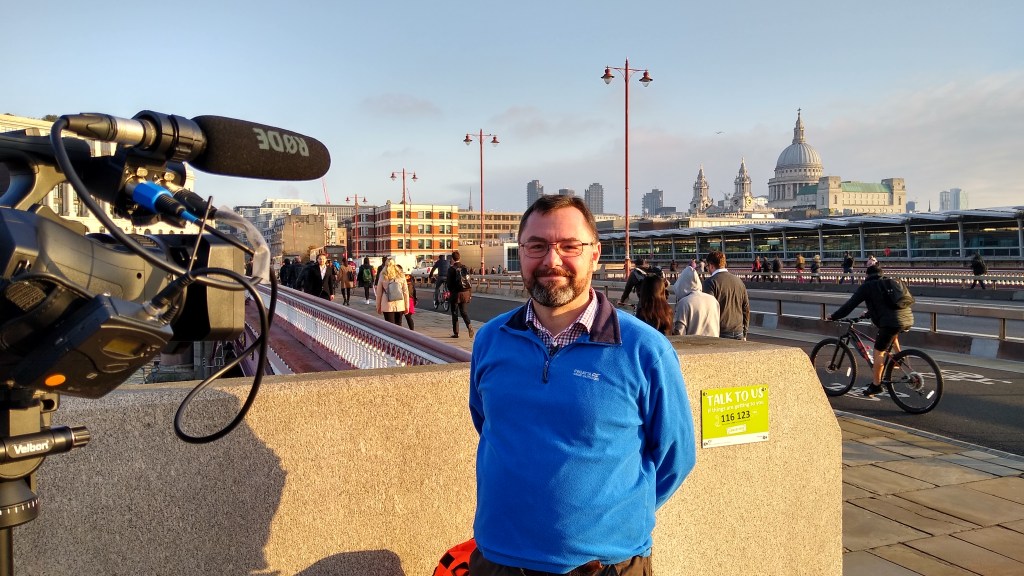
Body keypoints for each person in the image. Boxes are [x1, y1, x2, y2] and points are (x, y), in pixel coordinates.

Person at [468, 195, 695, 575]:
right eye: (536, 246)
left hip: (604, 565)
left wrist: (608, 520)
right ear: (521, 253)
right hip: (498, 560)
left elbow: (676, 457)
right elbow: (487, 423)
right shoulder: (491, 339)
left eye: (569, 246)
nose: (551, 260)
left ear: (594, 254)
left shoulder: (644, 350)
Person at [828, 264, 914, 397]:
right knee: (892, 334)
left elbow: (850, 305)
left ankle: (876, 385)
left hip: (890, 322)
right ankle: (898, 359)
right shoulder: (888, 283)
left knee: (878, 352)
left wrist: (834, 316)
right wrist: (867, 314)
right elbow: (885, 305)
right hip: (907, 319)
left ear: (867, 276)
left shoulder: (867, 286)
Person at [702, 250, 750, 340]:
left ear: (711, 265)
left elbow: (707, 310)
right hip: (738, 331)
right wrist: (744, 332)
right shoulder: (739, 281)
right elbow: (746, 308)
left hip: (720, 332)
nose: (707, 269)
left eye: (707, 266)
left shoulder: (710, 283)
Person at [672, 266, 720, 337]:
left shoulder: (684, 303)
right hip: (714, 344)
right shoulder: (713, 300)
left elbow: (679, 332)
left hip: (692, 346)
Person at [446, 250, 474, 338]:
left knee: (454, 313)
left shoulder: (451, 269)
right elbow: (469, 282)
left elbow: (449, 284)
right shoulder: (464, 267)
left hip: (455, 294)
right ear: (460, 258)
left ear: (452, 259)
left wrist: (451, 292)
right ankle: (469, 325)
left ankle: (456, 333)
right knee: (464, 312)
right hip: (465, 293)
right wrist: (470, 293)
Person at [375, 257, 409, 325]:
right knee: (399, 324)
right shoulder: (401, 275)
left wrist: (378, 306)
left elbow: (379, 293)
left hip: (387, 304)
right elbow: (405, 292)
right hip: (400, 303)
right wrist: (406, 306)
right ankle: (399, 335)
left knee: (389, 326)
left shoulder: (383, 275)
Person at [402, 265, 416, 330]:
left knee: (405, 317)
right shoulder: (411, 284)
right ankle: (412, 330)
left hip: (405, 300)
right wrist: (415, 300)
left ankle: (411, 330)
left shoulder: (402, 282)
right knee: (408, 317)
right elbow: (414, 293)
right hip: (409, 300)